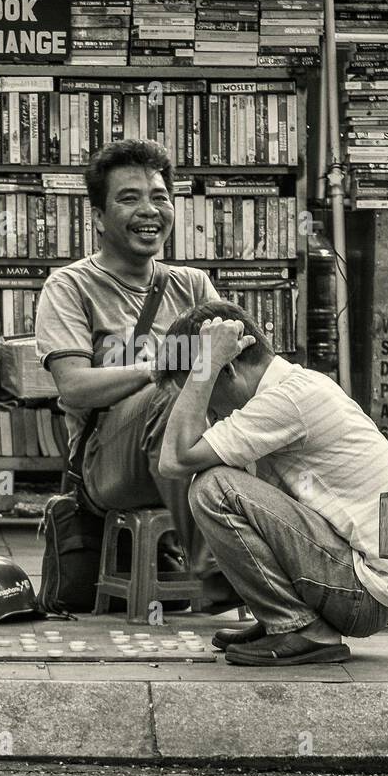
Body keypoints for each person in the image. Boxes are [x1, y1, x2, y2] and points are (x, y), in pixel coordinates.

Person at [34, 138, 237, 606]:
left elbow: (238, 371)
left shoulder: (192, 284)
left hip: (195, 447)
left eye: (160, 197)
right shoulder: (69, 286)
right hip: (106, 464)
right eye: (129, 198)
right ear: (99, 218)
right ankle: (217, 566)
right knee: (172, 395)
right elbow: (74, 388)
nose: (149, 210)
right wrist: (158, 369)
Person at [156, 300, 388, 666]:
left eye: (204, 397)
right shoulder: (291, 387)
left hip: (366, 592)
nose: (208, 415)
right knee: (227, 474)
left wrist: (204, 365)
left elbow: (173, 460)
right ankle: (283, 621)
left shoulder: (288, 398)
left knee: (213, 487)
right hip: (370, 582)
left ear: (227, 368)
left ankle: (302, 629)